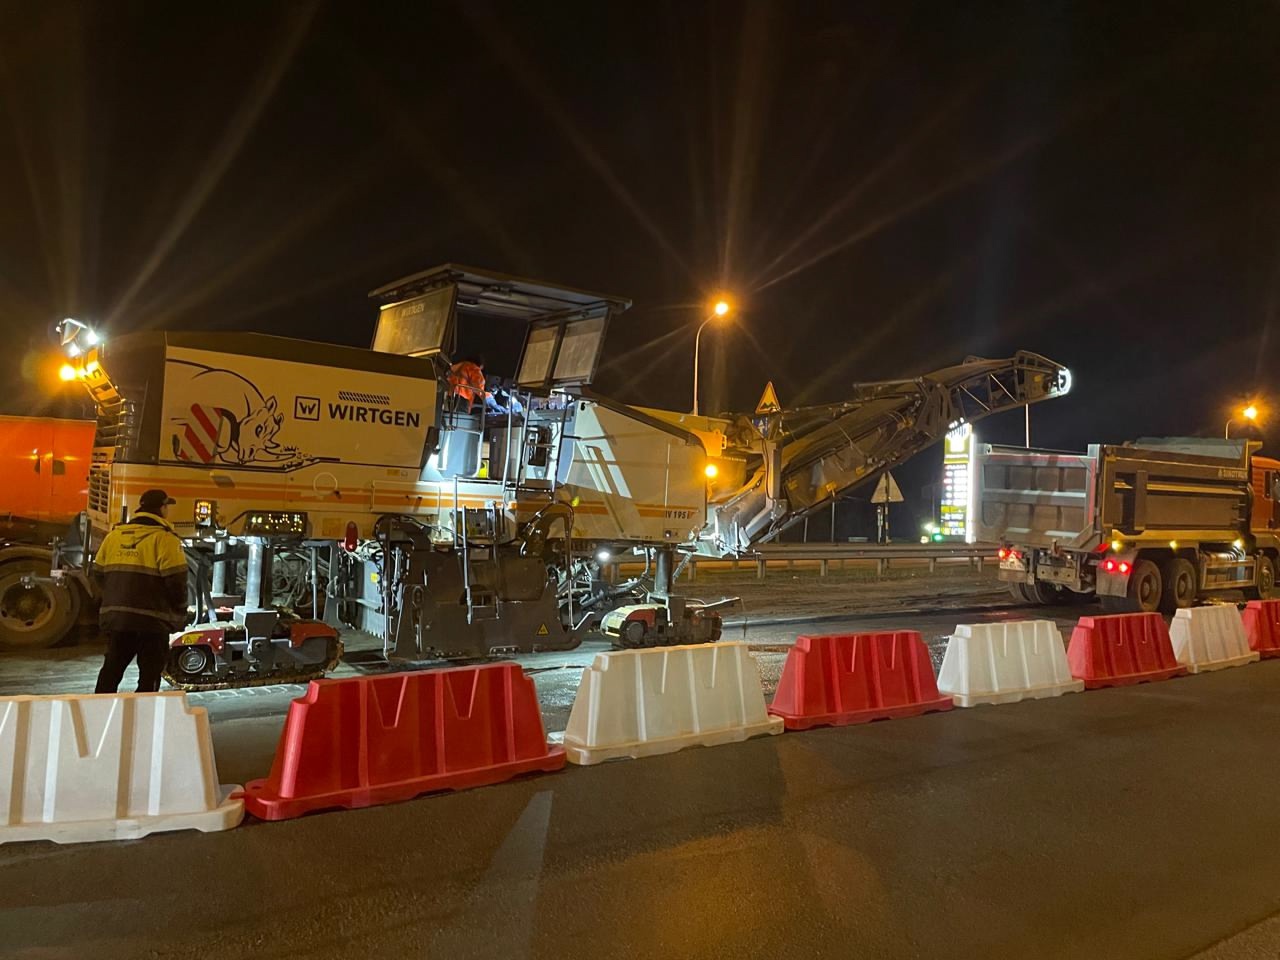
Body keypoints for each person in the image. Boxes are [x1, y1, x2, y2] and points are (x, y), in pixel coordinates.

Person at [93, 489, 189, 693]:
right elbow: (177, 583)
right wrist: (181, 611)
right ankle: (144, 710)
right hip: (152, 623)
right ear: (162, 508)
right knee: (149, 676)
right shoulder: (166, 539)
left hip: (119, 620)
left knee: (111, 670)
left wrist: (117, 598)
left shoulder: (114, 536)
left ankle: (99, 707)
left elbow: (98, 574)